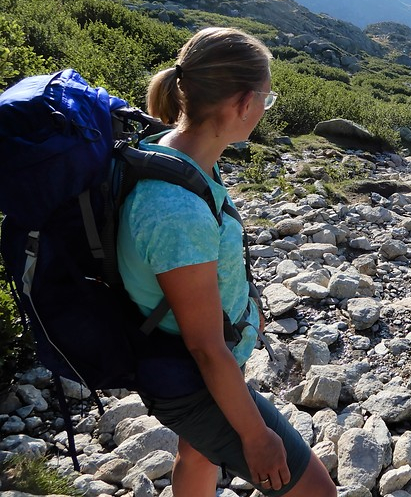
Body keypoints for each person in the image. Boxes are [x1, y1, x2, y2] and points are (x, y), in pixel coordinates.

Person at [117, 27, 336, 497]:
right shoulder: (176, 212)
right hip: (192, 377)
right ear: (242, 103)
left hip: (186, 362)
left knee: (196, 452)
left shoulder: (180, 152)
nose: (264, 110)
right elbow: (205, 347)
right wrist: (257, 437)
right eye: (267, 99)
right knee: (318, 492)